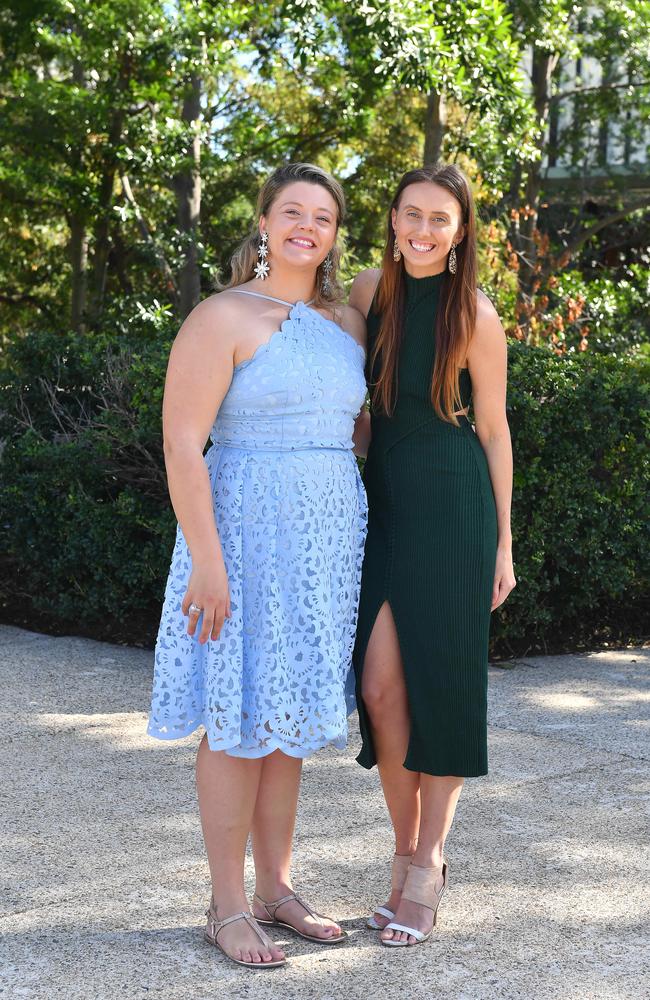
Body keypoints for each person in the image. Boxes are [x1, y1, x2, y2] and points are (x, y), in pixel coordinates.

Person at [148, 162, 367, 968]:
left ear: (337, 234)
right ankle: (226, 903)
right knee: (238, 717)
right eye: (293, 212)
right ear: (265, 223)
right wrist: (207, 561)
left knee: (286, 723)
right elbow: (181, 443)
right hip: (240, 539)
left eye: (325, 217)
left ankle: (277, 887)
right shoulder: (222, 314)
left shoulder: (346, 322)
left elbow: (351, 430)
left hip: (326, 547)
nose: (308, 226)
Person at [349, 163, 516, 948]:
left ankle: (427, 863)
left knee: (443, 687)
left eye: (439, 220)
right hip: (383, 509)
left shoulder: (474, 314)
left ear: (459, 233)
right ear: (391, 219)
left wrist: (504, 540)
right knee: (381, 691)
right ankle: (403, 846)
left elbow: (493, 429)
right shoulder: (364, 294)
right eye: (411, 214)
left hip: (454, 508)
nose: (422, 230)